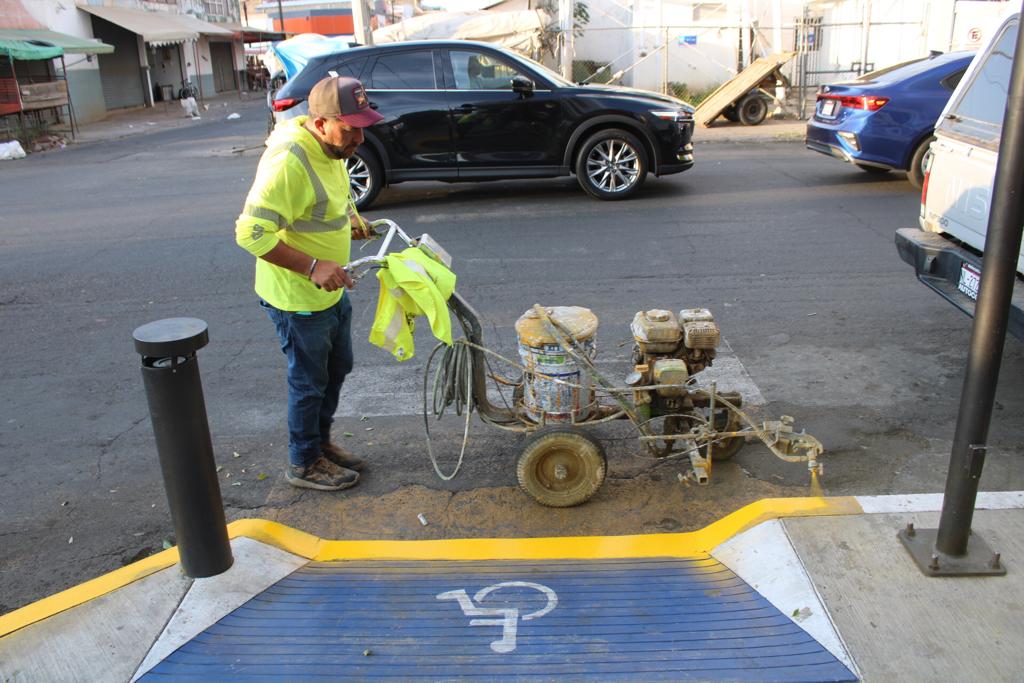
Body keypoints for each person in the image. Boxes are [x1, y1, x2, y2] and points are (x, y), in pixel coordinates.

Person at [235, 76, 384, 491]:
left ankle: (320, 444)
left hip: (329, 292)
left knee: (338, 367)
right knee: (308, 382)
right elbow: (250, 233)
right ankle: (303, 462)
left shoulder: (333, 149)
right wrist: (314, 266)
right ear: (320, 123)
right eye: (350, 129)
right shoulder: (289, 161)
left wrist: (350, 222)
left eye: (362, 127)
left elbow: (321, 204)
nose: (359, 139)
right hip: (297, 297)